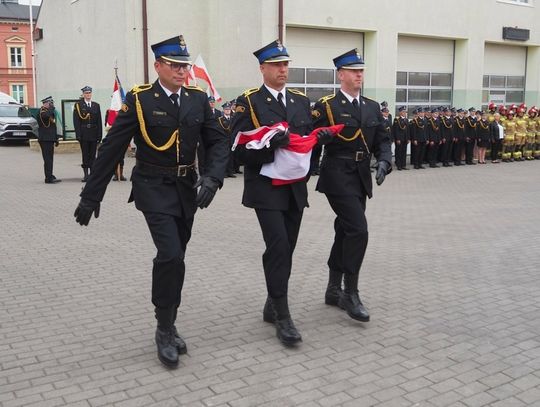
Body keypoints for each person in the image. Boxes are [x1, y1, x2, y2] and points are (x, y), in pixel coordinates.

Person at [73, 35, 229, 368]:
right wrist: (90, 195)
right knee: (169, 253)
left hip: (187, 187)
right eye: (174, 64)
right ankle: (164, 328)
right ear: (157, 65)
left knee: (179, 256)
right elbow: (112, 147)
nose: (180, 70)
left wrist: (213, 179)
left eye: (184, 65)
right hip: (152, 187)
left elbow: (219, 142)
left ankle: (170, 318)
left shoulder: (197, 99)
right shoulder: (141, 100)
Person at [231, 40, 322, 346]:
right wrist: (271, 145)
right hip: (266, 187)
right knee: (279, 245)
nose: (283, 70)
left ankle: (272, 301)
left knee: (288, 247)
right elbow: (239, 150)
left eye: (286, 64)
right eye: (277, 65)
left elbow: (308, 139)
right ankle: (283, 315)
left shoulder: (299, 101)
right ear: (263, 69)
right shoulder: (250, 103)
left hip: (295, 186)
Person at [312, 49, 392, 323]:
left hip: (360, 175)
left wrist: (384, 161)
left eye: (362, 70)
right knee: (358, 229)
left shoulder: (370, 106)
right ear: (341, 74)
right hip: (336, 174)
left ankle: (333, 289)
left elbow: (383, 139)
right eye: (354, 71)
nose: (359, 75)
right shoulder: (326, 106)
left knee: (345, 229)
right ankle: (350, 292)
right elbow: (309, 138)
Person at [73, 86, 103, 182]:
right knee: (85, 154)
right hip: (84, 133)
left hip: (94, 133)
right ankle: (86, 175)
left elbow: (99, 121)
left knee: (93, 154)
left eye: (89, 93)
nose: (88, 95)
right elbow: (76, 121)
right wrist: (78, 135)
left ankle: (92, 174)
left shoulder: (96, 105)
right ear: (83, 94)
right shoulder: (78, 105)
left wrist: (100, 135)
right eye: (86, 93)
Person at [37, 96, 61, 184]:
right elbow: (46, 117)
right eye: (50, 103)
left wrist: (56, 139)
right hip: (45, 139)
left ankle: (50, 175)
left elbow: (53, 127)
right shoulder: (41, 112)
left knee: (50, 159)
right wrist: (51, 109)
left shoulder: (49, 112)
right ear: (46, 103)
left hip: (50, 139)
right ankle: (48, 178)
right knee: (48, 159)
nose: (52, 105)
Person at [218, 101, 236, 178]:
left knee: (231, 156)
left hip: (231, 140)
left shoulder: (233, 118)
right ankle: (224, 172)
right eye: (226, 109)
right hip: (224, 140)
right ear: (223, 110)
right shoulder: (220, 119)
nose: (228, 110)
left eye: (229, 109)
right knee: (224, 156)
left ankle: (230, 171)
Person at [392, 106, 409, 170]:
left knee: (404, 152)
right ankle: (399, 165)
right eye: (403, 112)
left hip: (405, 139)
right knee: (399, 152)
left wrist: (408, 138)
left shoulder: (406, 120)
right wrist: (397, 139)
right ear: (400, 113)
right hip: (399, 139)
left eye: (405, 112)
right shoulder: (397, 120)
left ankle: (403, 165)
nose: (405, 113)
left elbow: (408, 130)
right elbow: (395, 130)